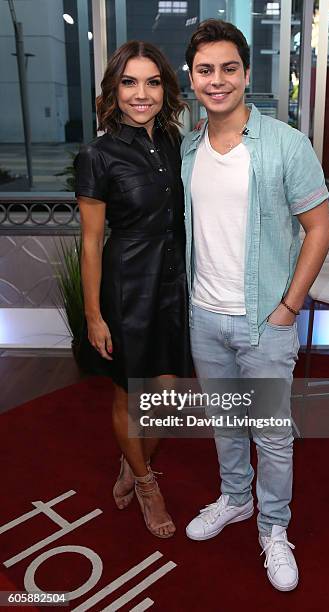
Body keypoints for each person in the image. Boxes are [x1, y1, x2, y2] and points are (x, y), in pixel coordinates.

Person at [181, 20, 329, 590]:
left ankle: (274, 528)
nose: (216, 81)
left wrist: (289, 307)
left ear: (246, 74)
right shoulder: (190, 148)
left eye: (228, 69)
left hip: (265, 319)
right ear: (191, 78)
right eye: (204, 70)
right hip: (205, 314)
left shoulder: (287, 145)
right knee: (226, 423)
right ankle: (235, 500)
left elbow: (318, 229)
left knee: (269, 431)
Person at [74, 41, 192, 538]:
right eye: (129, 82)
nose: (141, 94)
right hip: (126, 290)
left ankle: (132, 461)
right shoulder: (97, 155)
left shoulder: (173, 142)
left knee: (167, 396)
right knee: (131, 394)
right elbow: (91, 244)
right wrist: (95, 315)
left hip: (173, 285)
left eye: (152, 82)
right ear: (114, 91)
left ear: (165, 88)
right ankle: (146, 483)